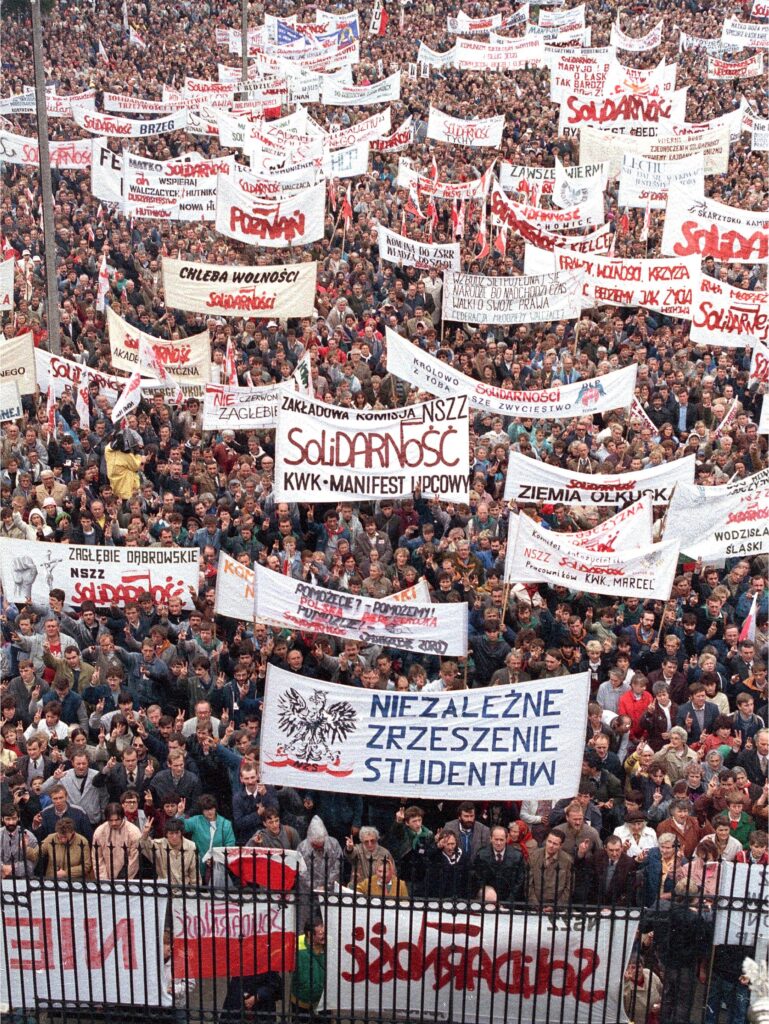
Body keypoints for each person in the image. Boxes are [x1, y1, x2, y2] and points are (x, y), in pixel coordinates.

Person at [471, 824, 524, 903]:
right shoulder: (481, 855)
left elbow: (519, 882)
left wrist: (508, 902)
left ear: (507, 839)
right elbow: (478, 880)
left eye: (501, 840)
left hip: (511, 902)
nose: (498, 843)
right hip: (488, 901)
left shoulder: (517, 856)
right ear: (491, 839)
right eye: (496, 839)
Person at [527, 829, 573, 910]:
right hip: (535, 906)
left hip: (558, 908)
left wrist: (556, 907)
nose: (551, 846)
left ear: (560, 845)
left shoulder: (567, 860)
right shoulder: (534, 856)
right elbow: (528, 884)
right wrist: (536, 905)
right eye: (549, 841)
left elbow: (569, 888)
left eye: (555, 844)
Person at [290, 921, 326, 1022]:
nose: (325, 936)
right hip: (300, 999)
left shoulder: (331, 943)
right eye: (321, 934)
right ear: (310, 934)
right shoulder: (295, 944)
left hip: (323, 1001)